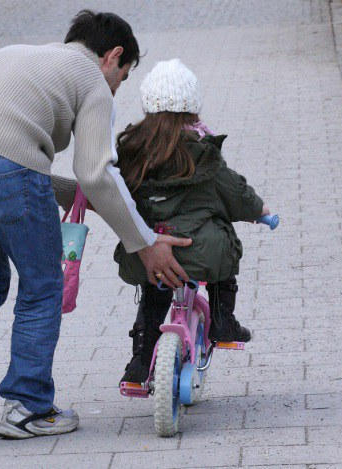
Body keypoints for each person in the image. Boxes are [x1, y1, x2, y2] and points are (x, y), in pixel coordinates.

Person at [0, 11, 192, 440]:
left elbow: (2, 166)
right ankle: (27, 408)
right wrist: (145, 241)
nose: (116, 87)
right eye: (122, 78)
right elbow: (95, 174)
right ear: (113, 56)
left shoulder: (20, 56)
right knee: (42, 284)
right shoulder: (90, 81)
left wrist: (110, 208)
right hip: (3, 170)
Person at [113, 59, 269, 385]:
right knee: (224, 244)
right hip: (200, 250)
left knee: (154, 291)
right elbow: (233, 191)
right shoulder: (201, 149)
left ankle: (140, 359)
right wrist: (259, 211)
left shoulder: (132, 148)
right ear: (192, 107)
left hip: (148, 250)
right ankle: (223, 320)